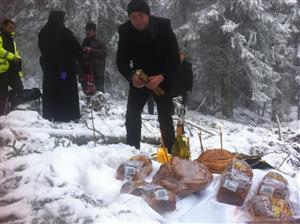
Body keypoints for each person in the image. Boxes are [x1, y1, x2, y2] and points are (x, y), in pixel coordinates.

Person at [116, 0, 180, 153]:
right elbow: (121, 62)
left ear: (148, 14)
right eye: (133, 17)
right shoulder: (125, 31)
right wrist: (131, 76)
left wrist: (161, 76)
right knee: (131, 116)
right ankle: (133, 152)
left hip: (162, 78)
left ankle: (171, 155)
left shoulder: (163, 27)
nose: (138, 20)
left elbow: (175, 58)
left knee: (165, 117)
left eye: (141, 15)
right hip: (140, 79)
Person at [38, 10, 83, 122]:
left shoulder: (43, 32)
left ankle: (50, 114)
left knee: (50, 90)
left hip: (50, 72)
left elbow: (42, 49)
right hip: (64, 71)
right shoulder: (65, 32)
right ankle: (65, 115)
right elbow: (77, 49)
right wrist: (82, 63)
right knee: (65, 89)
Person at [0, 19, 23, 116]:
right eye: (10, 28)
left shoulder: (11, 39)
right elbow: (1, 51)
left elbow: (15, 51)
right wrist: (12, 57)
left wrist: (18, 59)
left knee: (19, 87)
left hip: (13, 70)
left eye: (13, 28)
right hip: (2, 70)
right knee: (2, 94)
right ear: (4, 27)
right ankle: (2, 115)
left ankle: (12, 111)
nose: (12, 30)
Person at [81, 22, 107, 94]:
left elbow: (103, 54)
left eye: (89, 30)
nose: (87, 32)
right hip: (86, 73)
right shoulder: (84, 41)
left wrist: (91, 50)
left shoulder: (100, 42)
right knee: (88, 95)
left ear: (94, 31)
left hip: (97, 73)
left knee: (99, 94)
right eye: (86, 30)